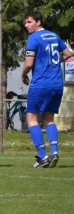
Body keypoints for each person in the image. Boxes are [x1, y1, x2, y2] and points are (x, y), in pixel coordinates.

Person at [21, 12, 73, 168]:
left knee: (31, 119)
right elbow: (68, 54)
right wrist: (54, 64)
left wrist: (23, 74)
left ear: (38, 22)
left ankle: (43, 156)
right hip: (57, 83)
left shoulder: (34, 38)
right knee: (48, 119)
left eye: (29, 22)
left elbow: (29, 64)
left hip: (41, 83)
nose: (26, 25)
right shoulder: (54, 36)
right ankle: (54, 152)